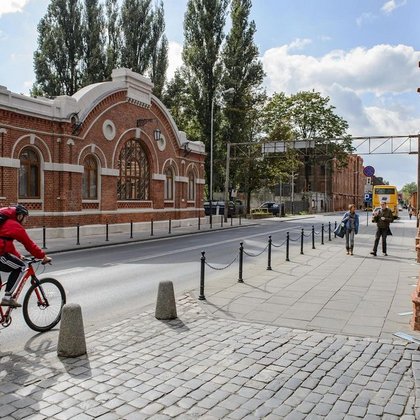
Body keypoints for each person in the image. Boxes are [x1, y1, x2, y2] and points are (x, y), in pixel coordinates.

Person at [0, 204, 51, 307]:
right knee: (21, 267)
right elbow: (29, 245)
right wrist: (43, 256)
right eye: (25, 217)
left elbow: (6, 243)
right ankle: (7, 298)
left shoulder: (6, 223)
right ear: (19, 216)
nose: (26, 220)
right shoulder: (15, 226)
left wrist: (18, 255)